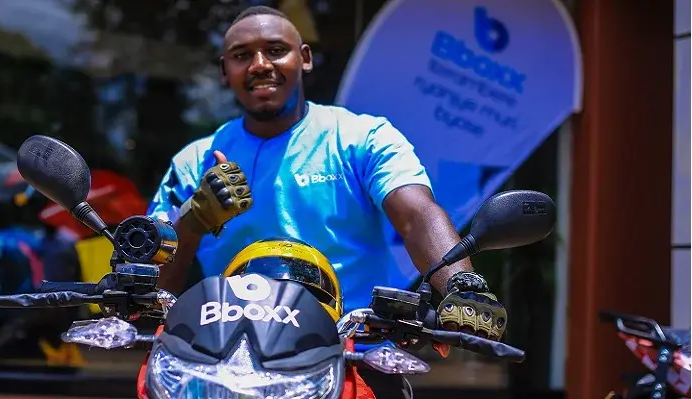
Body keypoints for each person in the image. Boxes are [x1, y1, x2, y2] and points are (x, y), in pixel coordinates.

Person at [148, 5, 507, 396]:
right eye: (241, 56)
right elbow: (154, 284)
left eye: (275, 50)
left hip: (352, 360)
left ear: (304, 58)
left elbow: (416, 216)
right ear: (224, 71)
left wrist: (462, 284)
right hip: (221, 369)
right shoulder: (194, 162)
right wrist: (194, 220)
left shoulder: (362, 137)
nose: (259, 64)